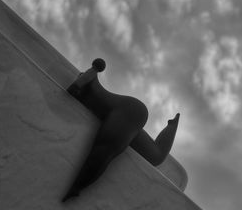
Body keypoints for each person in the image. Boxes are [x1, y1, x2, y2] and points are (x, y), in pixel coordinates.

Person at [62, 58, 180, 202]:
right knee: (156, 156)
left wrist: (77, 186)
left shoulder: (89, 80)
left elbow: (79, 83)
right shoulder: (90, 80)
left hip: (128, 112)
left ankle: (79, 185)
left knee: (105, 149)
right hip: (131, 111)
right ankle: (172, 125)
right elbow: (80, 82)